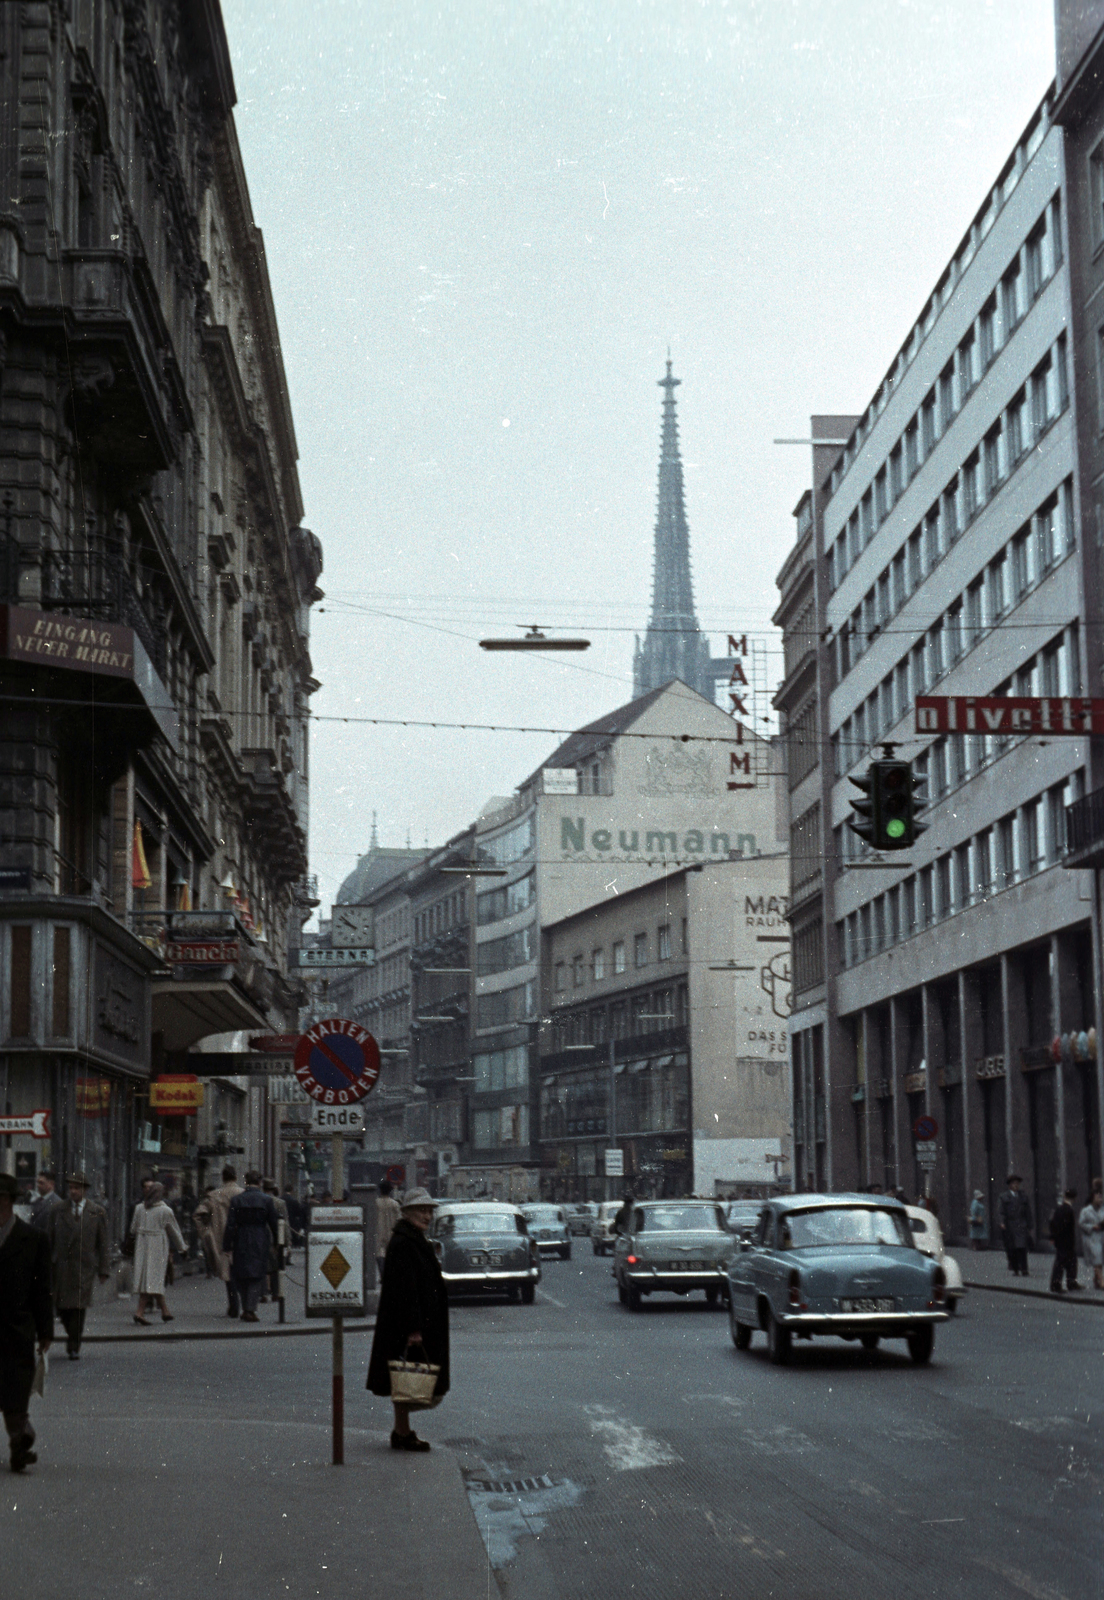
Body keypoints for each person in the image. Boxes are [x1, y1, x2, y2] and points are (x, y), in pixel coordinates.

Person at [366, 1188, 448, 1452]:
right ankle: (401, 1433)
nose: (427, 1215)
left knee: (405, 1379)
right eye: (422, 1210)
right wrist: (414, 1328)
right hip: (410, 1325)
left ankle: (402, 1431)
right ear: (408, 1212)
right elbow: (406, 1289)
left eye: (430, 1210)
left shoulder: (412, 1238)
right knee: (406, 1379)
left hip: (415, 1322)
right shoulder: (405, 1242)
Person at [0, 1172, 52, 1472]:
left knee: (16, 1393)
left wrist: (45, 1330)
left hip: (17, 1329)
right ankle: (21, 1439)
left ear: (6, 1201)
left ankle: (20, 1442)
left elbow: (41, 1290)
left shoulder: (33, 1239)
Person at [48, 1171, 110, 1358]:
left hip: (84, 1267)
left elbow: (103, 1244)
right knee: (62, 1308)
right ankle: (71, 1334)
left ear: (84, 1190)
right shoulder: (57, 1210)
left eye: (77, 1188)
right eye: (71, 1188)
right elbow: (49, 1238)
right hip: (61, 1267)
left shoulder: (97, 1212)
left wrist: (104, 1269)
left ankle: (74, 1346)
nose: (73, 1191)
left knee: (78, 1308)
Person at [222, 1171, 278, 1323]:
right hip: (260, 1237)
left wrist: (227, 1245)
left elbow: (230, 1224)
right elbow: (274, 1222)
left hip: (241, 1237)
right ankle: (250, 1309)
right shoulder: (266, 1200)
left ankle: (246, 1306)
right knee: (257, 1273)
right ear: (259, 1182)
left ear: (246, 1182)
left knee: (241, 1273)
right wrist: (278, 1243)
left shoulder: (237, 1200)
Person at [129, 1181, 186, 1324]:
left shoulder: (139, 1208)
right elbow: (174, 1231)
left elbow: (133, 1229)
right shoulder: (165, 1211)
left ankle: (164, 1312)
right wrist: (182, 1247)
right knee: (154, 1279)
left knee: (148, 1280)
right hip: (158, 1247)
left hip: (142, 1246)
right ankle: (140, 1313)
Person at [206, 1165, 244, 1317]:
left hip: (221, 1236)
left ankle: (233, 1305)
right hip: (241, 1237)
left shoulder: (215, 1195)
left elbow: (199, 1214)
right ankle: (243, 1304)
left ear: (223, 1177)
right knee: (241, 1271)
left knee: (229, 1274)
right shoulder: (243, 1194)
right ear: (235, 1177)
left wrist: (206, 1233)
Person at [998, 1174, 1033, 1276]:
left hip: (1021, 1224)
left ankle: (1024, 1269)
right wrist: (1002, 1222)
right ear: (1009, 1185)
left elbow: (1028, 1212)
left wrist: (1030, 1225)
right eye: (1014, 1183)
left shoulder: (1023, 1196)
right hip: (1010, 1225)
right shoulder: (1004, 1197)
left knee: (1022, 1247)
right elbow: (1001, 1211)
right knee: (1012, 1248)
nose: (1016, 1185)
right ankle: (1016, 1269)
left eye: (1017, 1183)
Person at [1048, 1188, 1081, 1294]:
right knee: (1066, 1263)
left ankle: (1065, 1283)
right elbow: (1067, 1227)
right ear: (1074, 1199)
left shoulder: (1058, 1209)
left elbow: (1052, 1223)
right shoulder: (1069, 1210)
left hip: (1060, 1241)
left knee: (1066, 1262)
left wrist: (1053, 1237)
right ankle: (1062, 1284)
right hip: (1067, 1241)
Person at [263, 1180, 289, 1302]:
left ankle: (263, 1293)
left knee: (263, 1265)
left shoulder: (261, 1200)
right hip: (276, 1237)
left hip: (261, 1236)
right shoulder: (280, 1203)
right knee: (276, 1266)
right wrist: (287, 1241)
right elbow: (285, 1223)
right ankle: (275, 1292)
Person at [1079, 1179, 1104, 1291]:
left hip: (1101, 1236)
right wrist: (1092, 1227)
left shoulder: (1103, 1209)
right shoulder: (1086, 1210)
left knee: (1099, 1260)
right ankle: (1102, 1281)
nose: (1100, 1199)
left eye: (1101, 1197)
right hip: (1091, 1238)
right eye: (1098, 1197)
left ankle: (1096, 1279)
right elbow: (1081, 1223)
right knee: (1097, 1259)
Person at [376, 1180, 401, 1284]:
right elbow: (399, 1219)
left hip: (378, 1232)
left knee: (379, 1254)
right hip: (392, 1232)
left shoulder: (375, 1203)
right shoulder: (395, 1204)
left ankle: (383, 1275)